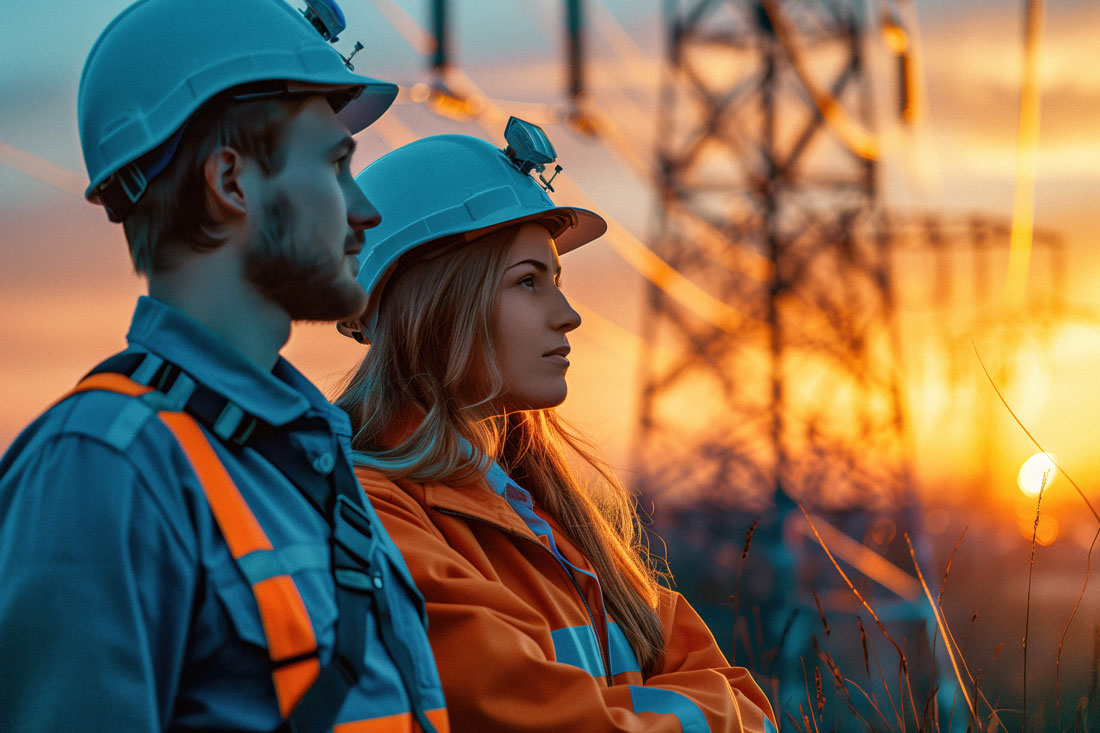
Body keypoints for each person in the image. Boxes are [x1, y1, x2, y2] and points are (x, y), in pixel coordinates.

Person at [0, 0, 447, 730]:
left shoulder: (302, 453)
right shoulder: (104, 468)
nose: (365, 210)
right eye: (337, 167)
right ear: (233, 183)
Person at [334, 118, 778, 732]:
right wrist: (701, 711)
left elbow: (747, 700)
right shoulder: (375, 517)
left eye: (557, 281)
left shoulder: (547, 516)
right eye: (527, 282)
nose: (567, 316)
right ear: (435, 306)